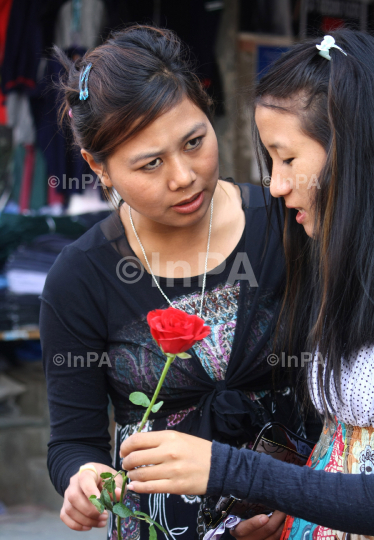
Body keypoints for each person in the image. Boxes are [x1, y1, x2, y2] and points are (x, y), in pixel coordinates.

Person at [40, 25, 310, 540]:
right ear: (99, 168)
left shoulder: (287, 223)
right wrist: (84, 477)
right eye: (151, 163)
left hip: (303, 517)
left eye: (194, 142)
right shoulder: (81, 277)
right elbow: (74, 441)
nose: (184, 176)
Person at [119, 29, 374, 539]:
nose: (277, 186)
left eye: (289, 159)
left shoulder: (278, 235)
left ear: (351, 150)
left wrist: (230, 469)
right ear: (97, 168)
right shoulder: (337, 260)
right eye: (149, 162)